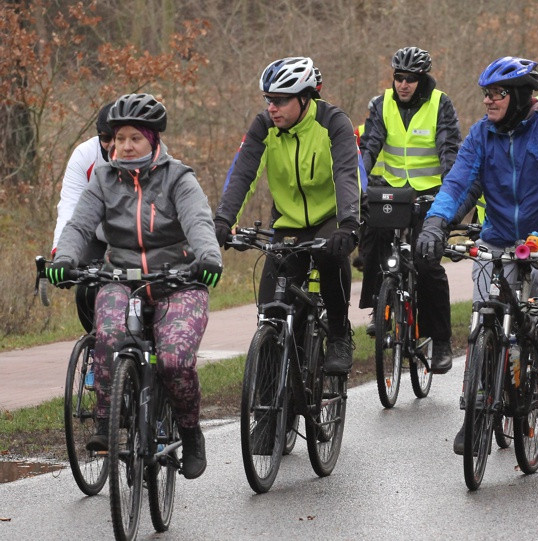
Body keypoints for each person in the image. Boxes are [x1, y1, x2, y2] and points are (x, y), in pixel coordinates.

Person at [47, 93, 223, 480]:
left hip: (177, 282)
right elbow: (79, 225)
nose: (125, 146)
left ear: (153, 140)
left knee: (175, 359)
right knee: (107, 337)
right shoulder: (104, 179)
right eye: (119, 137)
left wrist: (209, 258)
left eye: (134, 139)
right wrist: (64, 260)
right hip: (120, 279)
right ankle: (107, 424)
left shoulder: (179, 177)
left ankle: (191, 432)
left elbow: (199, 222)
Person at [415, 56, 538, 454]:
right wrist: (436, 223)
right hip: (498, 237)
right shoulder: (481, 135)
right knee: (482, 313)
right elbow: (458, 183)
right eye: (486, 94)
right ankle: (474, 410)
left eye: (497, 94)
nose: (488, 101)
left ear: (520, 95)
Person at [214, 56, 361, 375]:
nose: (272, 107)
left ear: (304, 98)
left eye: (280, 100)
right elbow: (243, 174)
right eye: (268, 99)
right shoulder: (264, 126)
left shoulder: (333, 123)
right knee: (272, 313)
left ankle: (338, 334)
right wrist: (224, 219)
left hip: (329, 218)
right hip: (288, 224)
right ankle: (270, 412)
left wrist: (349, 224)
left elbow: (347, 174)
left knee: (332, 258)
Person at [357, 46, 461, 374]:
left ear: (422, 79)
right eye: (398, 78)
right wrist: (359, 186)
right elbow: (370, 145)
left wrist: (448, 193)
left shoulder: (439, 104)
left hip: (430, 193)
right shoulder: (380, 103)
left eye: (410, 79)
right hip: (390, 189)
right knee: (372, 236)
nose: (403, 84)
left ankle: (441, 341)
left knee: (426, 263)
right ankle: (379, 304)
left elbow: (449, 148)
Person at [51, 102, 115, 333]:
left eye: (117, 136)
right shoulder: (85, 155)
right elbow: (69, 206)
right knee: (87, 289)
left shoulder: (143, 151)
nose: (112, 145)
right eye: (105, 138)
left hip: (138, 234)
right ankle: (95, 345)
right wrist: (62, 254)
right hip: (98, 233)